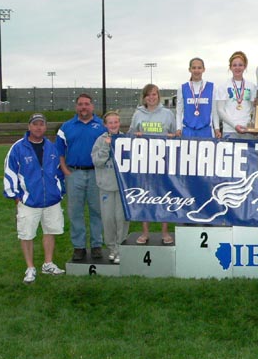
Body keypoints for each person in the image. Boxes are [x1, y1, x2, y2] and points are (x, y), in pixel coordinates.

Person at [3, 113, 65, 283]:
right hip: (29, 201)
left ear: (45, 127)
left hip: (51, 200)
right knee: (27, 234)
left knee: (50, 231)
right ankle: (30, 267)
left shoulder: (52, 147)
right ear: (29, 126)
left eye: (42, 124)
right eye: (35, 124)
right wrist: (16, 196)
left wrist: (60, 191)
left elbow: (59, 171)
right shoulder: (18, 148)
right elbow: (10, 172)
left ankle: (48, 263)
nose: (38, 127)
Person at [56, 93, 106, 261]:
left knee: (96, 210)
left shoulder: (101, 125)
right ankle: (79, 247)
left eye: (86, 104)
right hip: (74, 173)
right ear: (76, 107)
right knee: (75, 211)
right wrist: (65, 169)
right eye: (80, 104)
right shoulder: (66, 127)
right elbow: (59, 151)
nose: (83, 107)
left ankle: (97, 244)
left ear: (92, 106)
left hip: (96, 173)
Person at [129, 84, 175, 245]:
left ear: (158, 96)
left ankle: (164, 232)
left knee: (164, 195)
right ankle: (145, 232)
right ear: (144, 97)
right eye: (148, 95)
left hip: (163, 162)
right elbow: (130, 135)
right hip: (144, 162)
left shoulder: (168, 114)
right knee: (145, 196)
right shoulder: (137, 114)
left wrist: (171, 136)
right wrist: (136, 136)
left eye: (154, 94)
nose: (152, 97)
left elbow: (176, 136)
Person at [91, 111, 130, 263]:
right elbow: (97, 161)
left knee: (121, 219)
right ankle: (112, 248)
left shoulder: (125, 139)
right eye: (110, 123)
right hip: (106, 186)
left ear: (119, 123)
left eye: (116, 122)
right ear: (105, 125)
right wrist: (106, 147)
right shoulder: (100, 140)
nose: (113, 125)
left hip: (122, 186)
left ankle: (121, 248)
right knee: (108, 219)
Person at [216, 51, 258, 140]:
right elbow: (220, 110)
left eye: (240, 65)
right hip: (230, 130)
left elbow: (254, 109)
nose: (237, 68)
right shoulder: (223, 86)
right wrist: (234, 125)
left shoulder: (252, 86)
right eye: (234, 65)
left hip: (248, 130)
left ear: (245, 66)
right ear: (230, 67)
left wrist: (254, 125)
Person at [176, 57, 221, 139]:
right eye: (194, 68)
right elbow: (179, 112)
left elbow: (214, 111)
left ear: (204, 69)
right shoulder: (182, 88)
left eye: (199, 68)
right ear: (189, 69)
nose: (196, 70)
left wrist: (217, 129)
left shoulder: (212, 87)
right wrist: (178, 128)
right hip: (187, 131)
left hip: (206, 131)